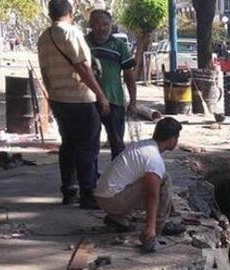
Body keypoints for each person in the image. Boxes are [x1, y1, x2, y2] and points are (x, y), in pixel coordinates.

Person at [38, 0, 111, 209]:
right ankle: (88, 193)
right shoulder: (71, 33)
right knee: (88, 146)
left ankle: (69, 191)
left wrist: (52, 96)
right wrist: (100, 95)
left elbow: (44, 72)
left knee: (68, 144)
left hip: (58, 99)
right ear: (70, 13)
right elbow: (82, 66)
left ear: (50, 14)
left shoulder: (44, 37)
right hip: (79, 99)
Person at [94, 117, 186, 252]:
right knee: (164, 180)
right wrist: (151, 228)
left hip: (104, 198)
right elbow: (152, 195)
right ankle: (157, 228)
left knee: (155, 179)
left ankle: (118, 218)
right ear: (172, 139)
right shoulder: (154, 159)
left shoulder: (144, 145)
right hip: (113, 200)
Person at [87, 9, 137, 159]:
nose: (102, 28)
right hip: (88, 101)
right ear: (91, 25)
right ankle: (91, 173)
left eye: (106, 24)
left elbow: (129, 75)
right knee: (89, 144)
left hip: (114, 101)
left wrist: (133, 101)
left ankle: (118, 173)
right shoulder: (83, 44)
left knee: (117, 144)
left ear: (111, 25)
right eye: (98, 24)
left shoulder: (119, 45)